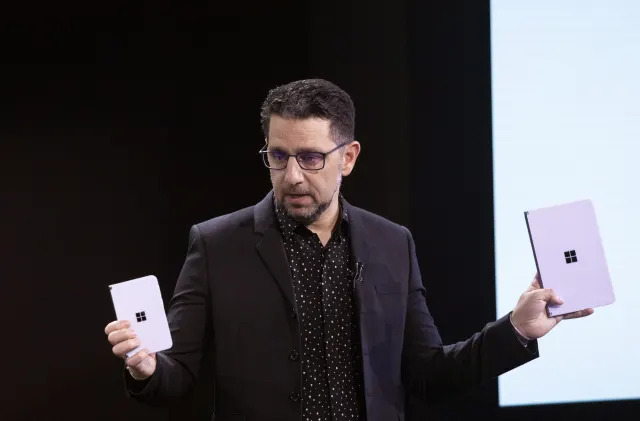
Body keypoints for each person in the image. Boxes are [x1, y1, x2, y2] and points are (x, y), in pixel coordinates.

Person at [104, 78, 593, 421]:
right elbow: (176, 376)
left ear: (349, 158)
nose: (292, 175)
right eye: (278, 156)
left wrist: (518, 331)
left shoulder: (391, 243)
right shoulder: (216, 245)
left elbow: (430, 375)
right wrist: (147, 368)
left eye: (311, 157)